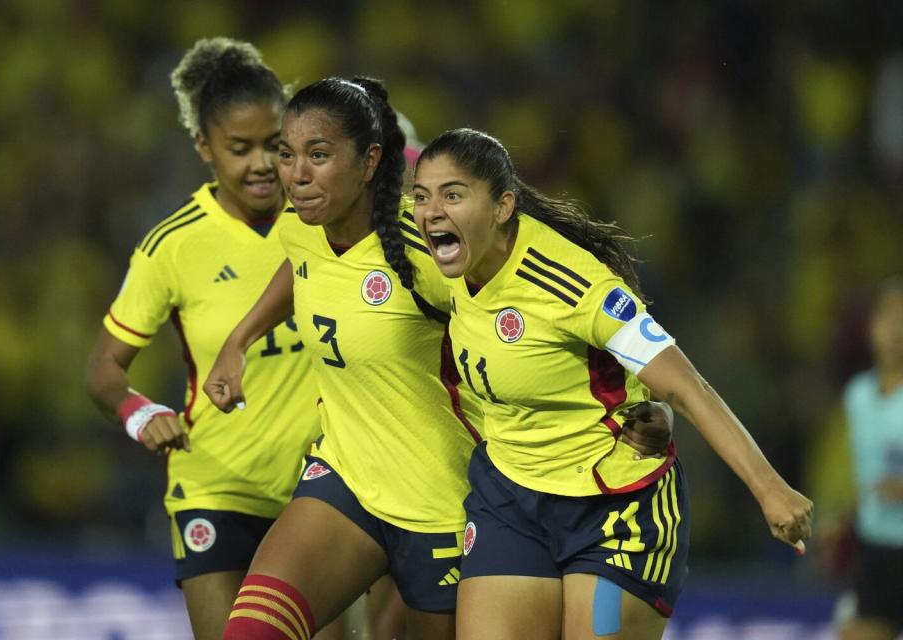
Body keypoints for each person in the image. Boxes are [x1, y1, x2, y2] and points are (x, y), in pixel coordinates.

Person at [202, 77, 675, 640]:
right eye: (288, 155)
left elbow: (549, 306)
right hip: (345, 482)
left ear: (369, 161)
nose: (296, 174)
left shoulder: (431, 250)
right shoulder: (302, 227)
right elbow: (302, 268)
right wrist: (240, 340)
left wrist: (645, 404)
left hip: (448, 508)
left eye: (319, 155)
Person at [410, 127, 815, 640]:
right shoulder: (434, 253)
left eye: (453, 194)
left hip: (614, 510)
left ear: (502, 206)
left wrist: (769, 489)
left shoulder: (575, 284)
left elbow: (683, 385)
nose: (430, 211)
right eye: (421, 196)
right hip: (510, 500)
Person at [84, 38, 325, 640]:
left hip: (323, 489)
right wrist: (141, 414)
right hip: (216, 487)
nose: (262, 165)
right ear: (204, 149)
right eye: (239, 149)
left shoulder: (326, 220)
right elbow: (103, 370)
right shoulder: (173, 246)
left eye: (274, 145)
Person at [837, 276, 903, 640]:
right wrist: (845, 519)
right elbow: (868, 477)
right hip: (876, 551)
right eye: (888, 318)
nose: (895, 329)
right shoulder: (858, 396)